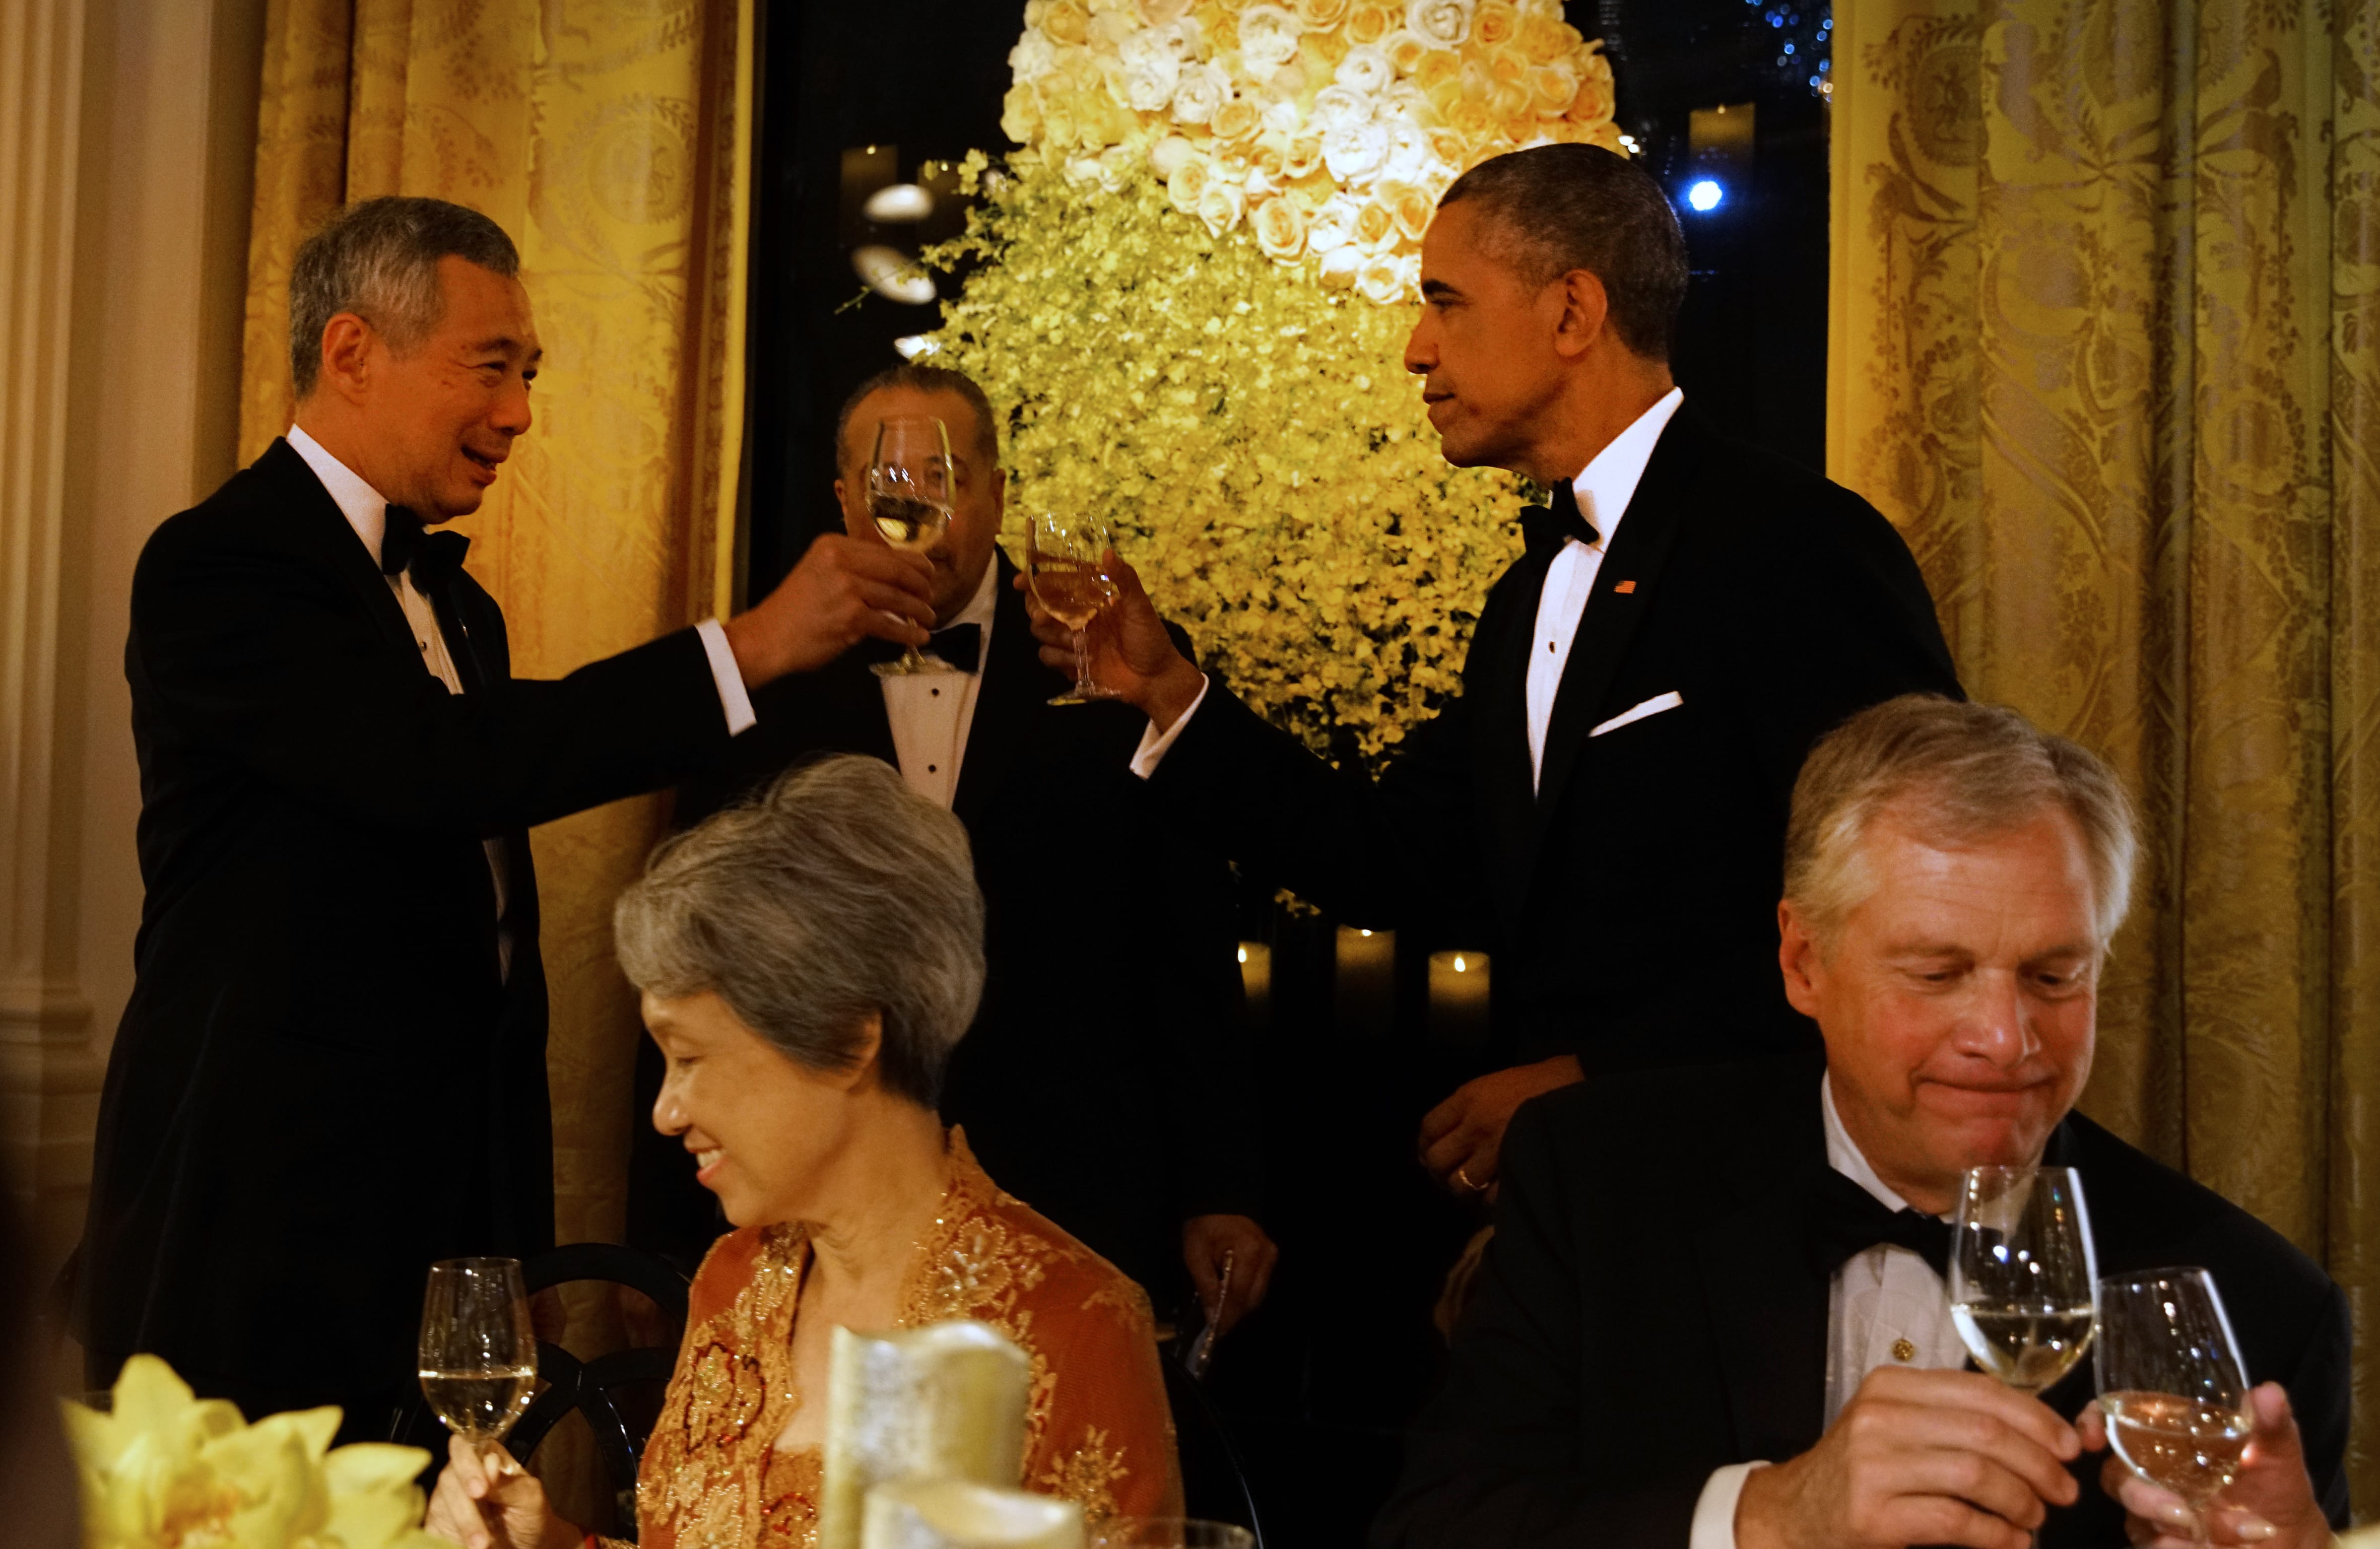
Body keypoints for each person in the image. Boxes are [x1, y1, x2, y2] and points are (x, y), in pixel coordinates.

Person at [77, 196, 940, 1442]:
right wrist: (744, 650)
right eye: (491, 367)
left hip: (441, 1232)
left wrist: (502, 1240)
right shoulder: (218, 564)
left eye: (528, 373)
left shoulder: (458, 607)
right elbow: (437, 767)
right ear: (354, 350)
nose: (520, 412)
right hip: (258, 1227)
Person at [1022, 144, 1963, 1201]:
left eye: (1445, 303)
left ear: (1571, 313)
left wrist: (1593, 1081)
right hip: (1578, 1214)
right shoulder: (1524, 601)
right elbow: (1392, 860)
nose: (1416, 351)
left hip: (1760, 1198)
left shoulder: (1796, 546)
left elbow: (1913, 911)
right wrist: (1167, 693)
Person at [1372, 694, 2351, 1549]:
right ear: (1803, 961)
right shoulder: (1598, 1176)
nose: (2008, 1038)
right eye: (1936, 972)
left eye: (2055, 975)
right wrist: (1767, 1517)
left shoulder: (2255, 1303)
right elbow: (1433, 1528)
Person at [633, 363, 1276, 1334]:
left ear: (998, 494)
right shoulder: (765, 676)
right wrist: (668, 1234)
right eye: (889, 486)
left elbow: (1184, 935)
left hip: (1076, 1176)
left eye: (945, 479)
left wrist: (1220, 1183)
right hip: (822, 1197)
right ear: (844, 498)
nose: (917, 507)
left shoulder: (1113, 661)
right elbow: (701, 959)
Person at [425, 756, 1182, 1548]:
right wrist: (548, 1543)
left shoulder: (1071, 1325)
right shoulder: (735, 1279)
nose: (665, 1112)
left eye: (690, 1058)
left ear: (851, 1041)